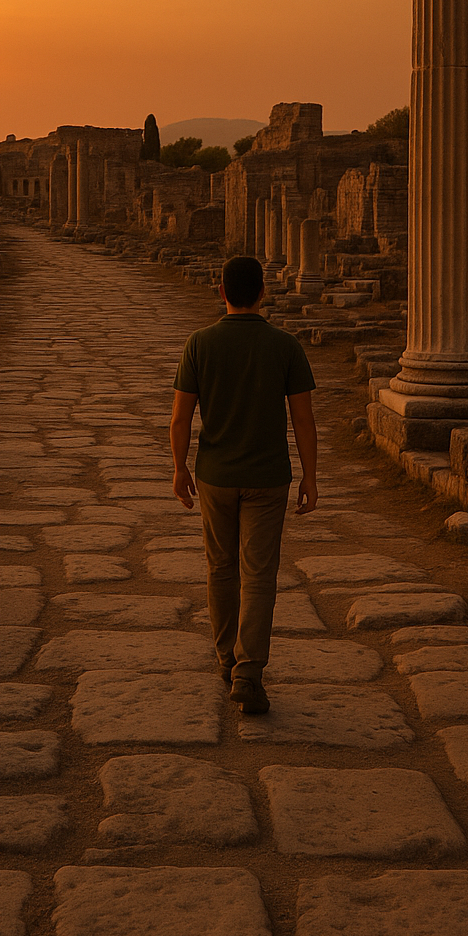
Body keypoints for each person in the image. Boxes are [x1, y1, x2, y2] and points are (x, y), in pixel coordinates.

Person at [170, 253, 317, 715]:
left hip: (215, 475)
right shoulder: (285, 346)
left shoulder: (199, 343)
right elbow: (303, 419)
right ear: (262, 293)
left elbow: (180, 417)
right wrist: (311, 475)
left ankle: (225, 658)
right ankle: (248, 673)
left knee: (220, 568)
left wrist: (179, 467)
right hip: (268, 478)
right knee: (259, 575)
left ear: (222, 293)